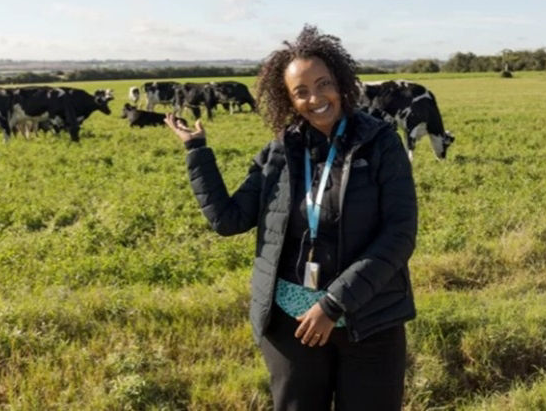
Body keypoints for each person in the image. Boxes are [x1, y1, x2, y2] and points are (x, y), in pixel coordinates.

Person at [164, 24, 417, 410]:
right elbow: (228, 220)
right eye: (301, 91)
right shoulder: (279, 152)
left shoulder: (381, 143)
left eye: (323, 83)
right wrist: (196, 151)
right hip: (292, 325)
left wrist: (333, 305)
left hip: (370, 320)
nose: (315, 98)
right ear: (287, 99)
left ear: (342, 82)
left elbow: (399, 235)